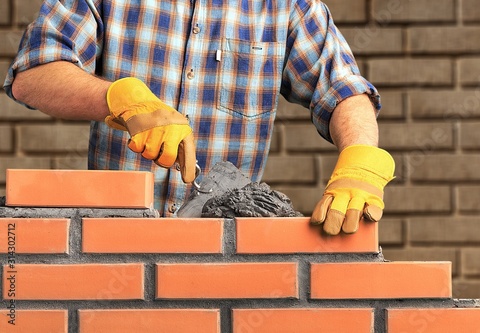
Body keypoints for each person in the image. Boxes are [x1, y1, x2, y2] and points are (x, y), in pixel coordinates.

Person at [3, 0, 395, 235]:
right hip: (109, 244)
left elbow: (342, 88)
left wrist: (361, 159)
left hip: (224, 256)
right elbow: (33, 74)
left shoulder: (287, 5)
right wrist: (118, 96)